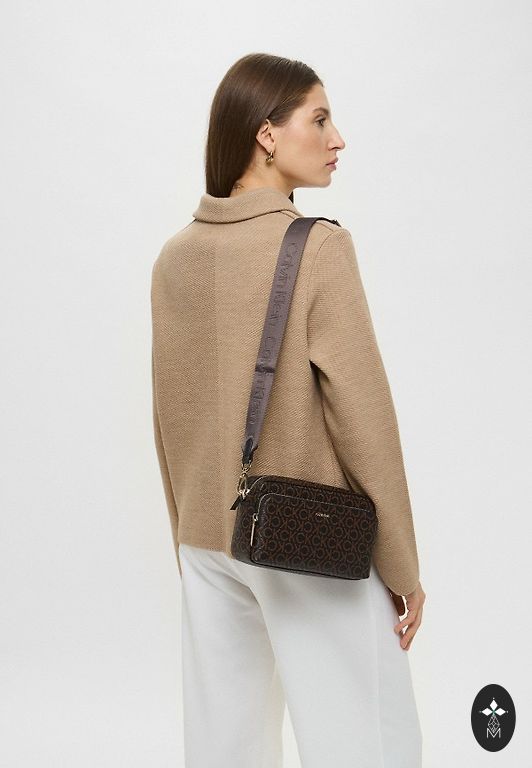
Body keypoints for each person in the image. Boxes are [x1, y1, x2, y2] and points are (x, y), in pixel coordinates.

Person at [151, 52, 426, 768]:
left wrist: (187, 538)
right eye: (320, 119)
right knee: (368, 744)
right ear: (266, 134)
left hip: (205, 543)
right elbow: (364, 418)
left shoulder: (174, 258)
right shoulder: (319, 249)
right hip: (308, 537)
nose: (338, 140)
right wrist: (402, 565)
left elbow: (167, 419)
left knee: (226, 749)